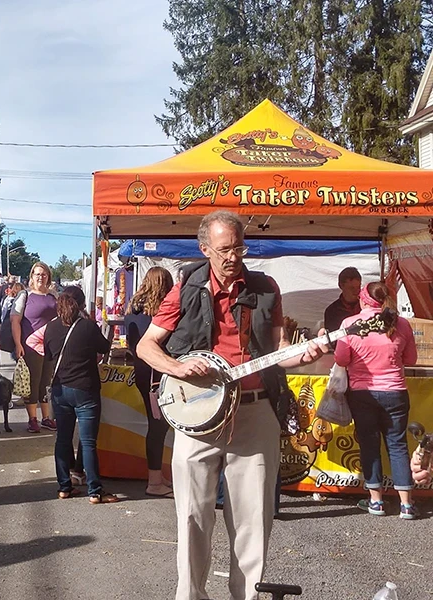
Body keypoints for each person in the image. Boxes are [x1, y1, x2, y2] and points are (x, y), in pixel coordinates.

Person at [136, 210, 326, 600]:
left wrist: (305, 356)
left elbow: (277, 352)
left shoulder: (265, 288)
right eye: (224, 249)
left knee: (253, 520)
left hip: (255, 413)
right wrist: (178, 366)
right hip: (198, 415)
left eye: (239, 247)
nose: (233, 256)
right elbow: (145, 346)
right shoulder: (185, 286)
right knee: (192, 517)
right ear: (205, 248)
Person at [335, 282, 418, 519]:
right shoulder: (401, 323)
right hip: (396, 392)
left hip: (363, 393)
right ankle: (407, 505)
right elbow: (410, 359)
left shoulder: (349, 325)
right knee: (398, 445)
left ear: (363, 300)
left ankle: (376, 501)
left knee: (370, 446)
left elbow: (341, 359)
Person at [44, 286, 115, 503]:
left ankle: (64, 487)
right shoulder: (88, 326)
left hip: (60, 389)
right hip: (85, 389)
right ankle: (95, 491)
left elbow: (48, 356)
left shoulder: (50, 328)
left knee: (62, 439)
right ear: (81, 305)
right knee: (87, 441)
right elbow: (104, 347)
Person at [124, 266, 173, 497]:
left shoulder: (132, 309)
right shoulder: (162, 311)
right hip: (158, 374)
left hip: (142, 372)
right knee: (158, 426)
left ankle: (157, 475)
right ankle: (154, 480)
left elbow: (130, 344)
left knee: (156, 425)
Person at [11, 262, 58, 433]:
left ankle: (46, 418)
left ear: (48, 277)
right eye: (37, 274)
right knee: (32, 382)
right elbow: (14, 321)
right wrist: (18, 344)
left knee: (46, 383)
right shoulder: (25, 296)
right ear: (31, 277)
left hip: (50, 347)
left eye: (44, 274)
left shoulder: (53, 296)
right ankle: (32, 419)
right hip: (29, 347)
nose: (40, 277)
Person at [324, 267, 362, 332]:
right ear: (341, 286)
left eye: (358, 287)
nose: (357, 291)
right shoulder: (332, 311)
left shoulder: (366, 306)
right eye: (352, 288)